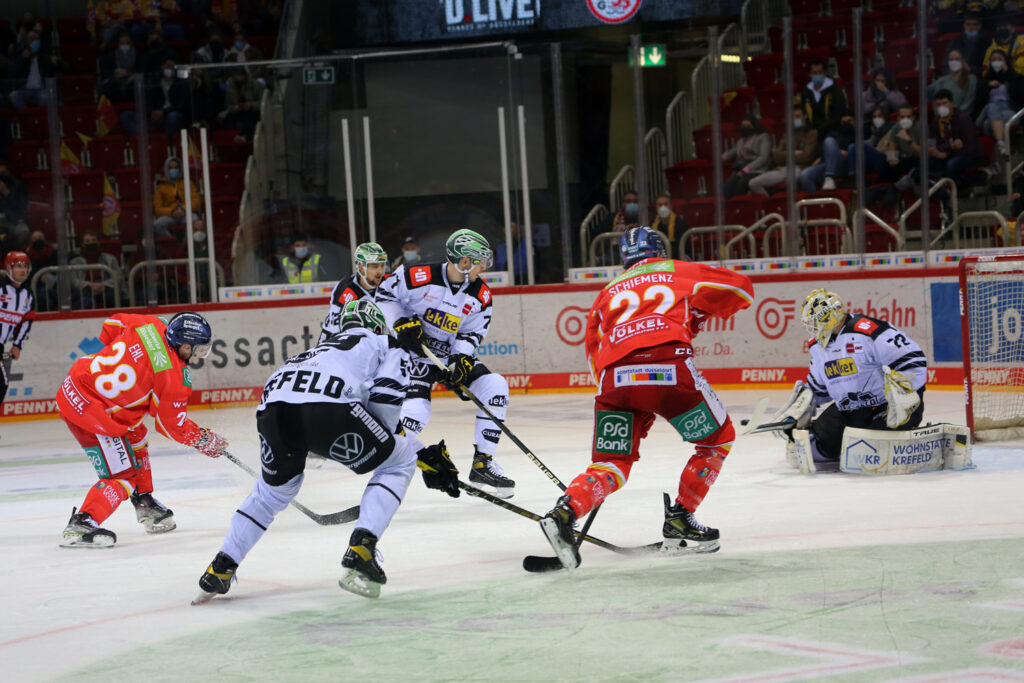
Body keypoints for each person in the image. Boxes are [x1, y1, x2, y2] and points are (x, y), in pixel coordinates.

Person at [193, 299, 459, 602]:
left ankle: (221, 567)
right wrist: (422, 456)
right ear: (377, 325)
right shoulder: (386, 343)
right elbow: (384, 422)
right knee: (399, 464)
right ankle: (362, 546)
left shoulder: (315, 350)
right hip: (326, 408)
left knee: (271, 493)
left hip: (272, 412)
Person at [537, 226, 754, 570]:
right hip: (668, 370)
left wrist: (630, 397)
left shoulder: (607, 290)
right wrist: (698, 313)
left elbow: (593, 352)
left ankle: (565, 512)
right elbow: (741, 288)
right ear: (660, 249)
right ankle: (681, 516)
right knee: (718, 440)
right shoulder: (677, 270)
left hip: (614, 381)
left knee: (611, 464)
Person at [58, 312, 228, 547]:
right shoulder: (174, 378)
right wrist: (204, 440)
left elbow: (112, 322)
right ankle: (82, 522)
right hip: (92, 412)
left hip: (77, 381)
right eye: (198, 350)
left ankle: (144, 501)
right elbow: (172, 427)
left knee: (136, 433)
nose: (199, 356)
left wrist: (120, 361)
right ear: (185, 346)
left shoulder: (151, 323)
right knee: (123, 477)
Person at [376, 228, 517, 498]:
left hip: (445, 357)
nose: (483, 269)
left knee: (494, 386)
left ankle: (483, 464)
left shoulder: (481, 294)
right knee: (416, 414)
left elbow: (472, 331)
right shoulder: (417, 277)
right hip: (410, 356)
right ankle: (392, 465)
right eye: (480, 262)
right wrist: (400, 322)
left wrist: (461, 358)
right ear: (464, 262)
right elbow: (383, 296)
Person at [771, 288, 926, 471]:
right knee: (814, 447)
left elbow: (914, 362)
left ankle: (904, 433)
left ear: (829, 316)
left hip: (886, 408)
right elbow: (818, 389)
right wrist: (797, 413)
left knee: (873, 449)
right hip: (849, 409)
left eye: (815, 321)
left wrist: (905, 397)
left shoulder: (867, 330)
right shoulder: (818, 346)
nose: (812, 327)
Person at [319, 241, 388, 344]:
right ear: (361, 267)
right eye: (374, 266)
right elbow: (330, 332)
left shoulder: (390, 283)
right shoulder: (346, 291)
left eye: (382, 266)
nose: (380, 271)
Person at [748, 105, 820, 196]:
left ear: (805, 116)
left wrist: (784, 155)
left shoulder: (812, 134)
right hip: (781, 169)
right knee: (753, 183)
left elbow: (806, 157)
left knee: (795, 179)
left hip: (799, 169)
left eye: (798, 116)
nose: (795, 119)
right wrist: (793, 153)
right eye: (792, 117)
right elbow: (776, 156)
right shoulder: (787, 135)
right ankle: (771, 203)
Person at [0, 251, 35, 418]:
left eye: (25, 266)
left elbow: (25, 323)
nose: (23, 270)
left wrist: (17, 345)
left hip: (1, 346)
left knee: (2, 383)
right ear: (9, 268)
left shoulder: (28, 296)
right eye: (18, 266)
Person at [120, 58, 191, 139]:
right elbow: (147, 101)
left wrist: (163, 112)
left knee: (173, 117)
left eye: (172, 67)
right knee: (126, 116)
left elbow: (181, 106)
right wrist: (152, 112)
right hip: (152, 115)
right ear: (162, 66)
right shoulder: (153, 82)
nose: (169, 69)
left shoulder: (181, 84)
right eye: (167, 66)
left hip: (169, 115)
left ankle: (165, 142)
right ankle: (143, 139)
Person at [974, 49, 1024, 157]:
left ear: (1005, 61)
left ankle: (999, 148)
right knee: (992, 107)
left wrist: (1008, 74)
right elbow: (977, 102)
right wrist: (988, 86)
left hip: (1008, 110)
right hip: (986, 112)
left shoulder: (1016, 78)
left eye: (999, 59)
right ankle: (1002, 144)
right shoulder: (983, 81)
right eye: (993, 60)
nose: (996, 62)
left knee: (988, 124)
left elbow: (1020, 96)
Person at [930, 89, 985, 184]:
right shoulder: (936, 122)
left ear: (952, 103)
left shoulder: (962, 118)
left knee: (952, 164)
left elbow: (970, 147)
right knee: (930, 161)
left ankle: (957, 190)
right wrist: (946, 149)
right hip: (949, 153)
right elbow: (936, 145)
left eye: (944, 103)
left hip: (971, 155)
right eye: (938, 105)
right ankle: (940, 192)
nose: (941, 107)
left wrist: (947, 153)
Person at [70, 230, 126, 309]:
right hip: (85, 289)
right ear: (82, 244)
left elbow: (118, 276)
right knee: (80, 298)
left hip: (107, 288)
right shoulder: (75, 262)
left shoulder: (110, 258)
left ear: (98, 242)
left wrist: (103, 285)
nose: (91, 243)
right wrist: (89, 285)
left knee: (113, 295)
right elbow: (73, 281)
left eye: (93, 240)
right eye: (88, 241)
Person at [9, 29, 64, 109]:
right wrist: (22, 59)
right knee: (13, 95)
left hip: (41, 90)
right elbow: (13, 73)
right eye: (31, 39)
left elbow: (66, 68)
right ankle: (27, 116)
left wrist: (57, 62)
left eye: (36, 39)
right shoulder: (20, 55)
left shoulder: (45, 57)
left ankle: (38, 117)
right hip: (25, 89)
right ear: (27, 42)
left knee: (44, 97)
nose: (34, 42)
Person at [721, 115, 772, 198]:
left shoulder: (763, 137)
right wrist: (722, 157)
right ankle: (729, 207)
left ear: (754, 126)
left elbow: (763, 157)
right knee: (728, 185)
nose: (745, 128)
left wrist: (746, 170)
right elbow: (732, 152)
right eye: (743, 126)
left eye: (748, 126)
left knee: (740, 184)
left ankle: (739, 206)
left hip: (756, 169)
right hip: (741, 170)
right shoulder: (741, 141)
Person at [153, 155, 203, 239]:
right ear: (166, 169)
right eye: (171, 168)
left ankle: (185, 245)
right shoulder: (160, 187)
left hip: (186, 213)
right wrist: (172, 212)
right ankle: (172, 244)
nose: (174, 170)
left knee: (195, 221)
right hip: (169, 215)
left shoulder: (188, 183)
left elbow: (196, 201)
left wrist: (184, 209)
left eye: (176, 167)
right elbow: (157, 209)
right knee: (157, 224)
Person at [845, 106, 899, 177]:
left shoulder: (894, 129)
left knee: (859, 146)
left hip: (887, 159)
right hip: (876, 158)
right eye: (874, 117)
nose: (877, 119)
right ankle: (853, 174)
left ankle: (854, 177)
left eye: (880, 116)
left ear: (886, 116)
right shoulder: (875, 133)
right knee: (852, 146)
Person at [217, 70, 265, 141]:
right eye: (236, 75)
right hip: (237, 111)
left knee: (249, 117)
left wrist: (251, 105)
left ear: (244, 75)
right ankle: (229, 139)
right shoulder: (230, 88)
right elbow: (228, 106)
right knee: (228, 118)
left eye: (240, 75)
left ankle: (245, 137)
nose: (238, 77)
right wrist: (235, 108)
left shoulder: (256, 85)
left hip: (253, 111)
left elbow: (264, 101)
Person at [928, 48, 979, 113]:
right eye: (951, 60)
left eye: (957, 59)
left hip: (962, 118)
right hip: (943, 118)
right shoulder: (941, 81)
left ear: (963, 61)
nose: (954, 62)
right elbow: (936, 104)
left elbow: (969, 103)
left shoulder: (971, 79)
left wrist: (954, 116)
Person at [98, 31, 139, 103]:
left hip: (133, 81)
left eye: (127, 43)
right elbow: (105, 73)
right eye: (122, 43)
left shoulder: (139, 56)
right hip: (115, 82)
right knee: (110, 87)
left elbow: (142, 69)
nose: (125, 45)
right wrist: (115, 73)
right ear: (118, 44)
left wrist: (131, 74)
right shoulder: (110, 57)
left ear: (131, 43)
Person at [0, 160, 30, 246]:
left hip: (15, 222)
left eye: (3, 173)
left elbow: (21, 209)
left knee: (23, 231)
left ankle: (16, 256)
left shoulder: (18, 186)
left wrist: (6, 192)